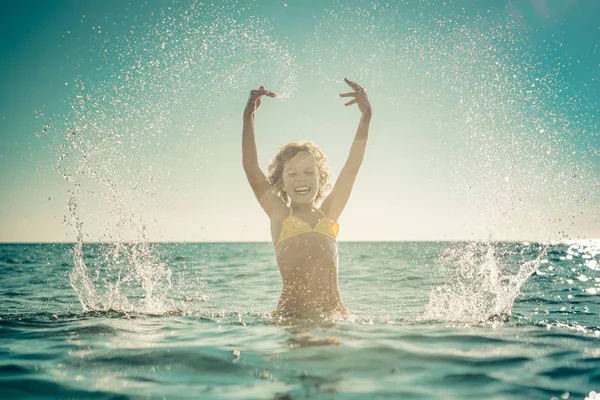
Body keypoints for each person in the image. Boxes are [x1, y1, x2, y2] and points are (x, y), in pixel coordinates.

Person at [242, 78, 372, 319]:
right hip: (291, 321)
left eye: (309, 172)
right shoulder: (280, 216)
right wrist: (248, 117)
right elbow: (251, 168)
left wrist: (366, 117)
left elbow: (352, 166)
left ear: (321, 179)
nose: (301, 179)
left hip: (333, 320)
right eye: (292, 173)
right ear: (281, 181)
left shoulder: (329, 214)